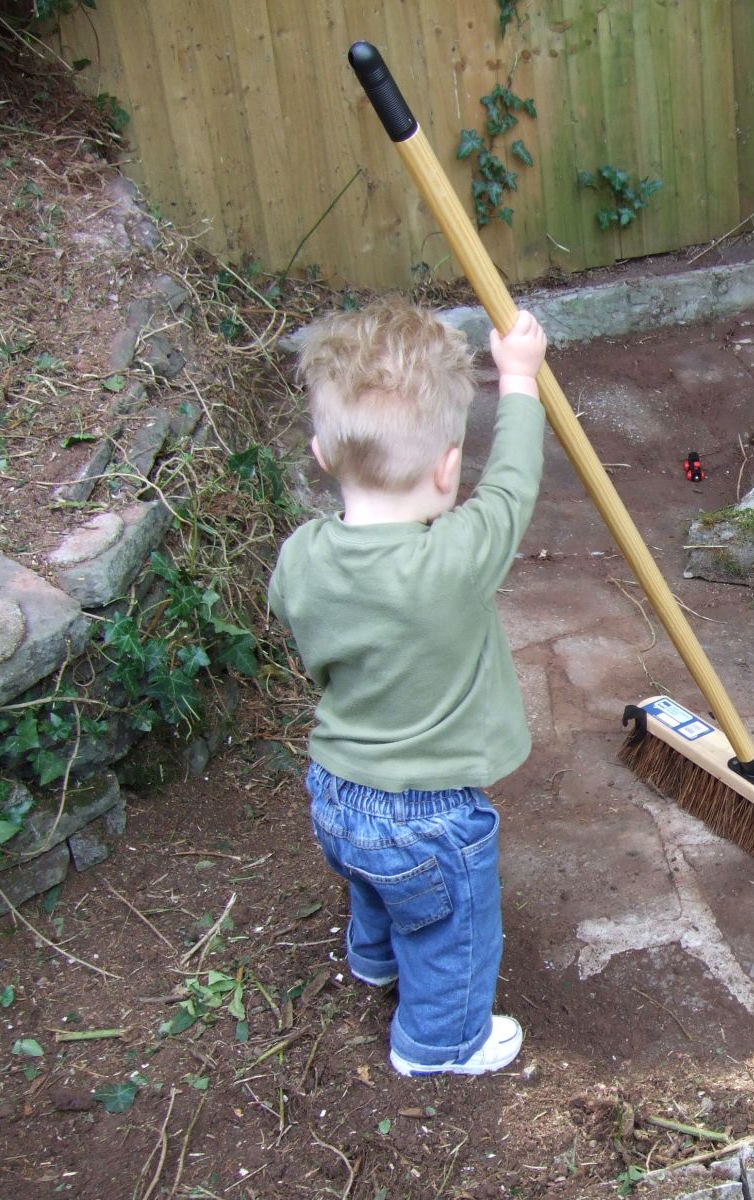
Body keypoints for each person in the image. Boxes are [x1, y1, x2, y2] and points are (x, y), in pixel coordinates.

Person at [268, 297, 548, 1076]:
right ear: (448, 467)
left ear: (323, 453)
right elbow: (514, 484)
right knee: (456, 930)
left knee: (376, 879)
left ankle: (373, 958)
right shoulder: (453, 561)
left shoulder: (301, 556)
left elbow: (297, 621)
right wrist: (519, 378)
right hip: (430, 820)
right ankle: (440, 1043)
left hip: (334, 790)